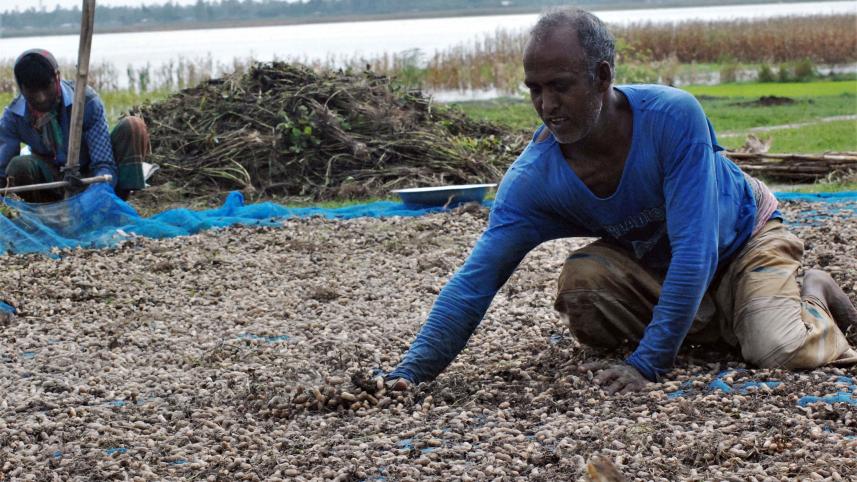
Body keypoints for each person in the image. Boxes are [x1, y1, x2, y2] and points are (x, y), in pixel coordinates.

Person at [385, 8, 857, 394]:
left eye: (560, 86)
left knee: (777, 352)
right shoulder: (535, 179)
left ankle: (811, 292)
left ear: (602, 77)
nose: (546, 105)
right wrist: (407, 375)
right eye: (535, 89)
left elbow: (697, 249)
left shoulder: (672, 118)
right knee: (582, 289)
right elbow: (475, 282)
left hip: (742, 241)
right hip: (660, 263)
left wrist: (649, 363)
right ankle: (734, 319)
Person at [0, 49, 150, 203]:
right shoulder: (13, 117)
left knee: (132, 127)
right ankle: (46, 215)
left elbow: (104, 164)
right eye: (32, 91)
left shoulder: (85, 101)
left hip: (91, 176)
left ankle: (120, 203)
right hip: (51, 185)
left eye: (46, 87)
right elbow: (2, 172)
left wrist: (95, 194)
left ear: (57, 77)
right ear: (21, 88)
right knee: (19, 166)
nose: (41, 97)